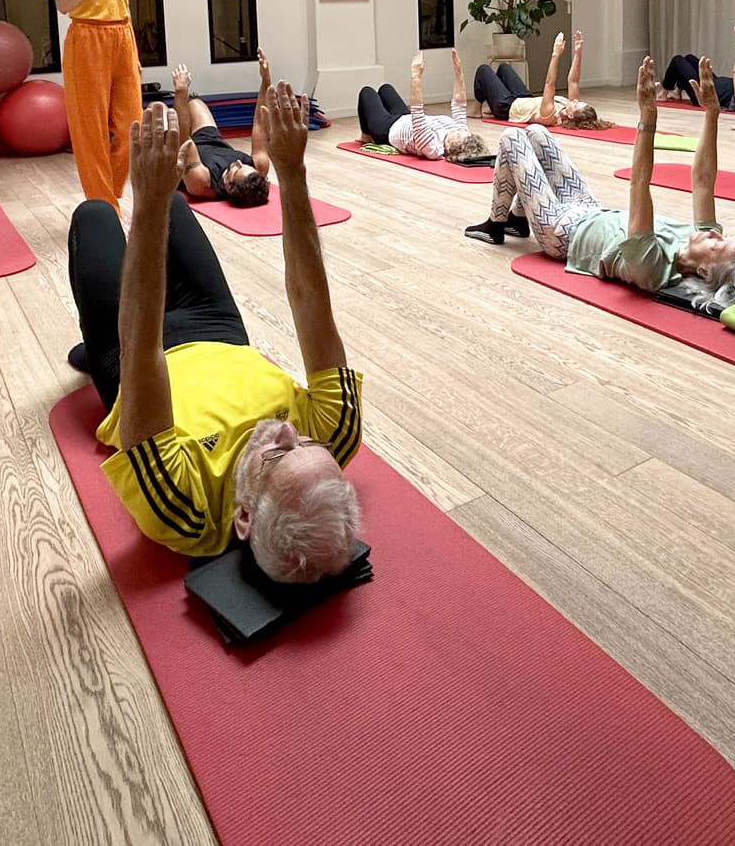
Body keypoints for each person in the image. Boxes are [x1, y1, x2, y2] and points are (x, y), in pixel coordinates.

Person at [68, 83, 365, 580]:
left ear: (243, 517)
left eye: (276, 456)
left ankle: (90, 348)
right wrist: (292, 174)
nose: (291, 432)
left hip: (137, 360)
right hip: (218, 329)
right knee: (179, 209)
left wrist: (146, 202)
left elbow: (142, 350)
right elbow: (311, 302)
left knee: (96, 214)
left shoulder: (186, 510)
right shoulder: (335, 434)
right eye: (310, 447)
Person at [465, 56, 735, 311]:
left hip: (560, 233)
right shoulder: (699, 238)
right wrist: (712, 113)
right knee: (537, 133)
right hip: (589, 209)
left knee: (511, 138)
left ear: (703, 272)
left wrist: (647, 118)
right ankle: (518, 220)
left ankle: (496, 223)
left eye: (718, 244)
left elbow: (639, 185)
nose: (716, 233)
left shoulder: (651, 268)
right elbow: (702, 181)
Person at [54, 0, 143, 212]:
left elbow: (122, 1)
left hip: (121, 34)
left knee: (131, 127)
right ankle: (104, 206)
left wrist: (133, 51)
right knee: (90, 129)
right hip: (87, 36)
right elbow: (63, 2)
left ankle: (111, 195)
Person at [173, 53, 273, 207]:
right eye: (244, 165)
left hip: (185, 150)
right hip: (211, 140)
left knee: (162, 117)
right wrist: (265, 81)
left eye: (236, 169)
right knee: (195, 104)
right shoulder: (258, 167)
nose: (239, 162)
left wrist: (180, 92)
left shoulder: (202, 182)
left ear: (228, 187)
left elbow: (183, 138)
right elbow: (260, 124)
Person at [356, 49, 487, 161]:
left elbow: (417, 109)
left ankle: (366, 135)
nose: (458, 130)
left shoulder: (432, 147)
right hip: (405, 119)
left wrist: (415, 75)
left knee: (367, 92)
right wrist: (458, 71)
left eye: (458, 136)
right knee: (386, 88)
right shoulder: (462, 132)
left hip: (387, 129)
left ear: (451, 148)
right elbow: (459, 103)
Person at [473, 31, 608, 129]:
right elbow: (573, 81)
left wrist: (555, 54)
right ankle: (490, 103)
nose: (575, 100)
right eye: (579, 101)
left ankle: (476, 109)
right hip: (524, 99)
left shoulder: (550, 114)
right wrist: (578, 52)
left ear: (571, 115)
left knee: (484, 70)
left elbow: (550, 83)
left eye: (576, 104)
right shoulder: (569, 105)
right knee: (504, 68)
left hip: (506, 107)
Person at [662, 24, 735, 110]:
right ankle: (677, 92)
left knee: (677, 60)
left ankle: (663, 93)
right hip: (712, 82)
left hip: (703, 93)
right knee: (690, 58)